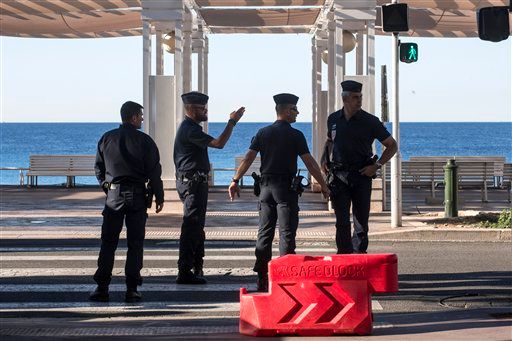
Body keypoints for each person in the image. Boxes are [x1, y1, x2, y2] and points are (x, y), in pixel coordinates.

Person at [229, 93, 330, 292]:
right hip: (285, 190)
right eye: (294, 109)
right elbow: (310, 163)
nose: (297, 113)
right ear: (285, 111)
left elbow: (248, 159)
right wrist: (324, 185)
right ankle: (285, 278)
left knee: (264, 233)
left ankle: (262, 277)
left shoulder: (262, 133)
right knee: (287, 233)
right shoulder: (296, 135)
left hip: (266, 189)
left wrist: (234, 180)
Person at [89, 101, 164, 303]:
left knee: (108, 243)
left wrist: (107, 187)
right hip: (138, 196)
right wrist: (159, 195)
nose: (141, 118)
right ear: (132, 117)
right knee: (135, 244)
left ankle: (102, 287)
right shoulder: (145, 141)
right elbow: (155, 172)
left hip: (113, 196)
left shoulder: (107, 138)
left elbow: (98, 168)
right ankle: (131, 288)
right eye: (140, 115)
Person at [174, 91, 245, 284]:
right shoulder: (190, 129)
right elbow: (219, 143)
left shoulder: (191, 127)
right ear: (190, 109)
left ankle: (196, 266)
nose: (205, 111)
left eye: (205, 107)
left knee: (197, 227)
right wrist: (232, 122)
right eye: (202, 108)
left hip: (193, 183)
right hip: (193, 184)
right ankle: (185, 271)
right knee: (191, 226)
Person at [321, 80, 397, 254]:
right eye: (355, 97)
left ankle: (359, 257)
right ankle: (343, 257)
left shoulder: (370, 121)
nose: (359, 100)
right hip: (338, 176)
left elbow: (392, 145)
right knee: (341, 222)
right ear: (345, 99)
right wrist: (324, 159)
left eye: (360, 97)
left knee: (361, 222)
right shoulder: (333, 119)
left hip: (361, 176)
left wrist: (376, 166)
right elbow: (329, 140)